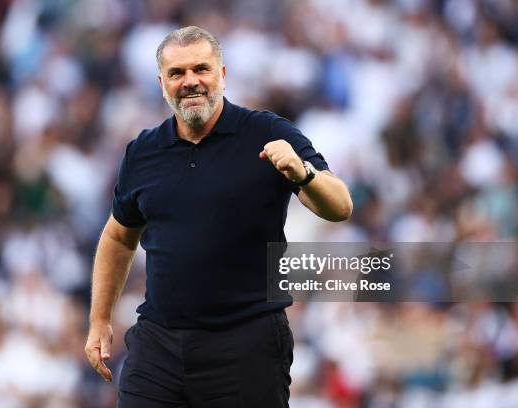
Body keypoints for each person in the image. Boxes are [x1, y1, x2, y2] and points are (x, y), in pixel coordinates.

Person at [85, 26, 352, 408]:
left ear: (222, 75)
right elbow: (117, 237)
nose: (190, 81)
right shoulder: (143, 152)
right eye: (177, 73)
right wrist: (99, 320)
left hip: (247, 342)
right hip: (159, 341)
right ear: (162, 84)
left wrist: (303, 173)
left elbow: (340, 206)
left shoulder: (267, 132)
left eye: (201, 69)